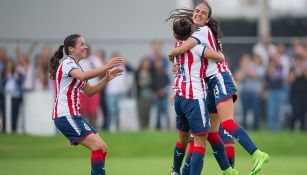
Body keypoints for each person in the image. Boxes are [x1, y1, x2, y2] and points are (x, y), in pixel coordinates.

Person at [168, 2, 270, 175]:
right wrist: (177, 73)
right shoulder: (197, 35)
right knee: (212, 133)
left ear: (208, 18)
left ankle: (257, 154)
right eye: (197, 11)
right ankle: (228, 170)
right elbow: (190, 60)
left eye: (203, 13)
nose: (199, 14)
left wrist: (171, 55)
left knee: (227, 123)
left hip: (219, 79)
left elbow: (215, 56)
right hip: (209, 83)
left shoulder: (201, 32)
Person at [167, 17, 238, 175]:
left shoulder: (176, 47)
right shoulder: (197, 48)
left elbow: (178, 65)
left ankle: (174, 171)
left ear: (174, 34)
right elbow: (220, 58)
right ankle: (226, 169)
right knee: (200, 142)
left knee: (183, 139)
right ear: (192, 34)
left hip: (179, 96)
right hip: (194, 98)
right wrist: (217, 49)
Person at [49, 34, 124, 175]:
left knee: (102, 148)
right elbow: (82, 77)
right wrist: (107, 65)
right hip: (65, 115)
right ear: (71, 49)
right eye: (82, 44)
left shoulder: (76, 67)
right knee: (98, 147)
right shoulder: (68, 64)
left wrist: (106, 79)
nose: (86, 47)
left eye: (85, 44)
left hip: (73, 116)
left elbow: (89, 91)